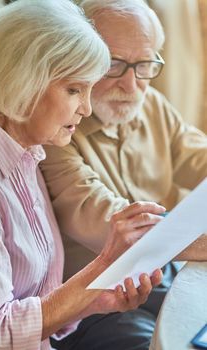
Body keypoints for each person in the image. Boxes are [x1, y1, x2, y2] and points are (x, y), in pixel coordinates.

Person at [0, 1, 166, 349]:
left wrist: (95, 299)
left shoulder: (26, 149)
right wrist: (105, 262)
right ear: (22, 82)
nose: (87, 108)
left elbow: (34, 302)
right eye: (75, 90)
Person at [40, 0, 207, 349]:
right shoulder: (57, 127)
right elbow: (115, 226)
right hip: (93, 307)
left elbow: (200, 156)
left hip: (162, 277)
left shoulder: (152, 103)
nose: (131, 86)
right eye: (113, 64)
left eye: (144, 65)